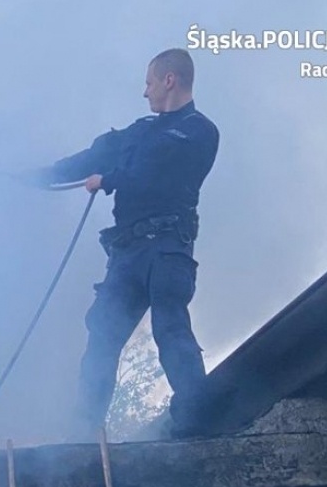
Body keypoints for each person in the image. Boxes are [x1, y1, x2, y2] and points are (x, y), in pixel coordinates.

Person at [39, 48, 219, 437]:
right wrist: (42, 176)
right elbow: (94, 155)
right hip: (126, 254)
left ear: (169, 80)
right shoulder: (139, 132)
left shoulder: (199, 131)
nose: (145, 92)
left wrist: (109, 179)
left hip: (167, 249)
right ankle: (84, 433)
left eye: (150, 82)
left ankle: (198, 418)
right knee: (102, 334)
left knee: (170, 327)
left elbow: (159, 170)